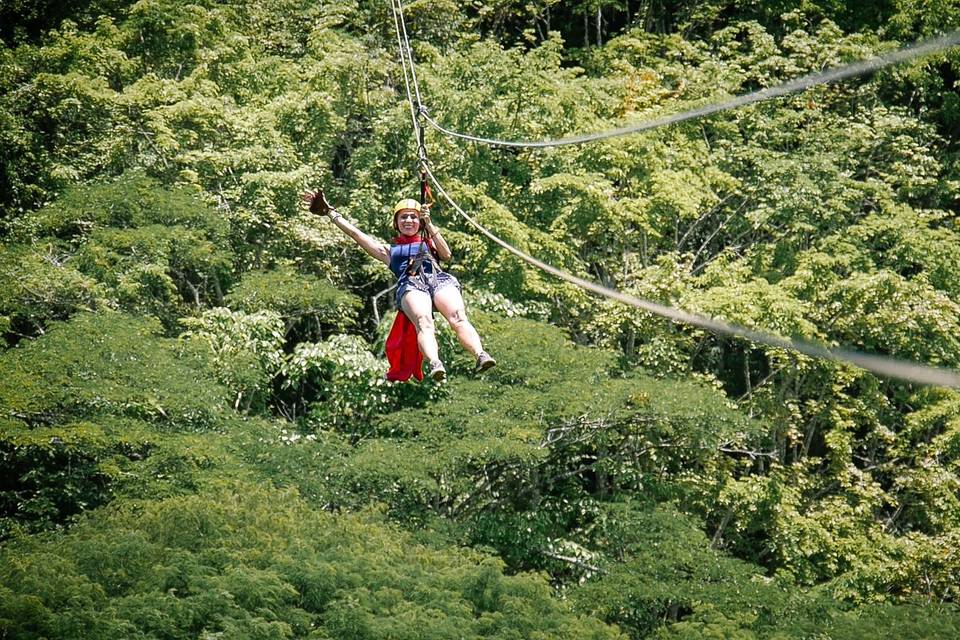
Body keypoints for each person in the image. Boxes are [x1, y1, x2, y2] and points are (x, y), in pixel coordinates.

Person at [302, 189, 495, 382]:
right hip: (412, 285)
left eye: (413, 217)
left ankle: (480, 354)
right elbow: (357, 235)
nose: (409, 220)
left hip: (438, 280)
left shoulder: (429, 241)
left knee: (458, 317)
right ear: (396, 223)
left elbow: (446, 255)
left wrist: (429, 223)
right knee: (424, 322)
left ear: (420, 222)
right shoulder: (389, 251)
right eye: (403, 217)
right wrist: (330, 212)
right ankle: (435, 363)